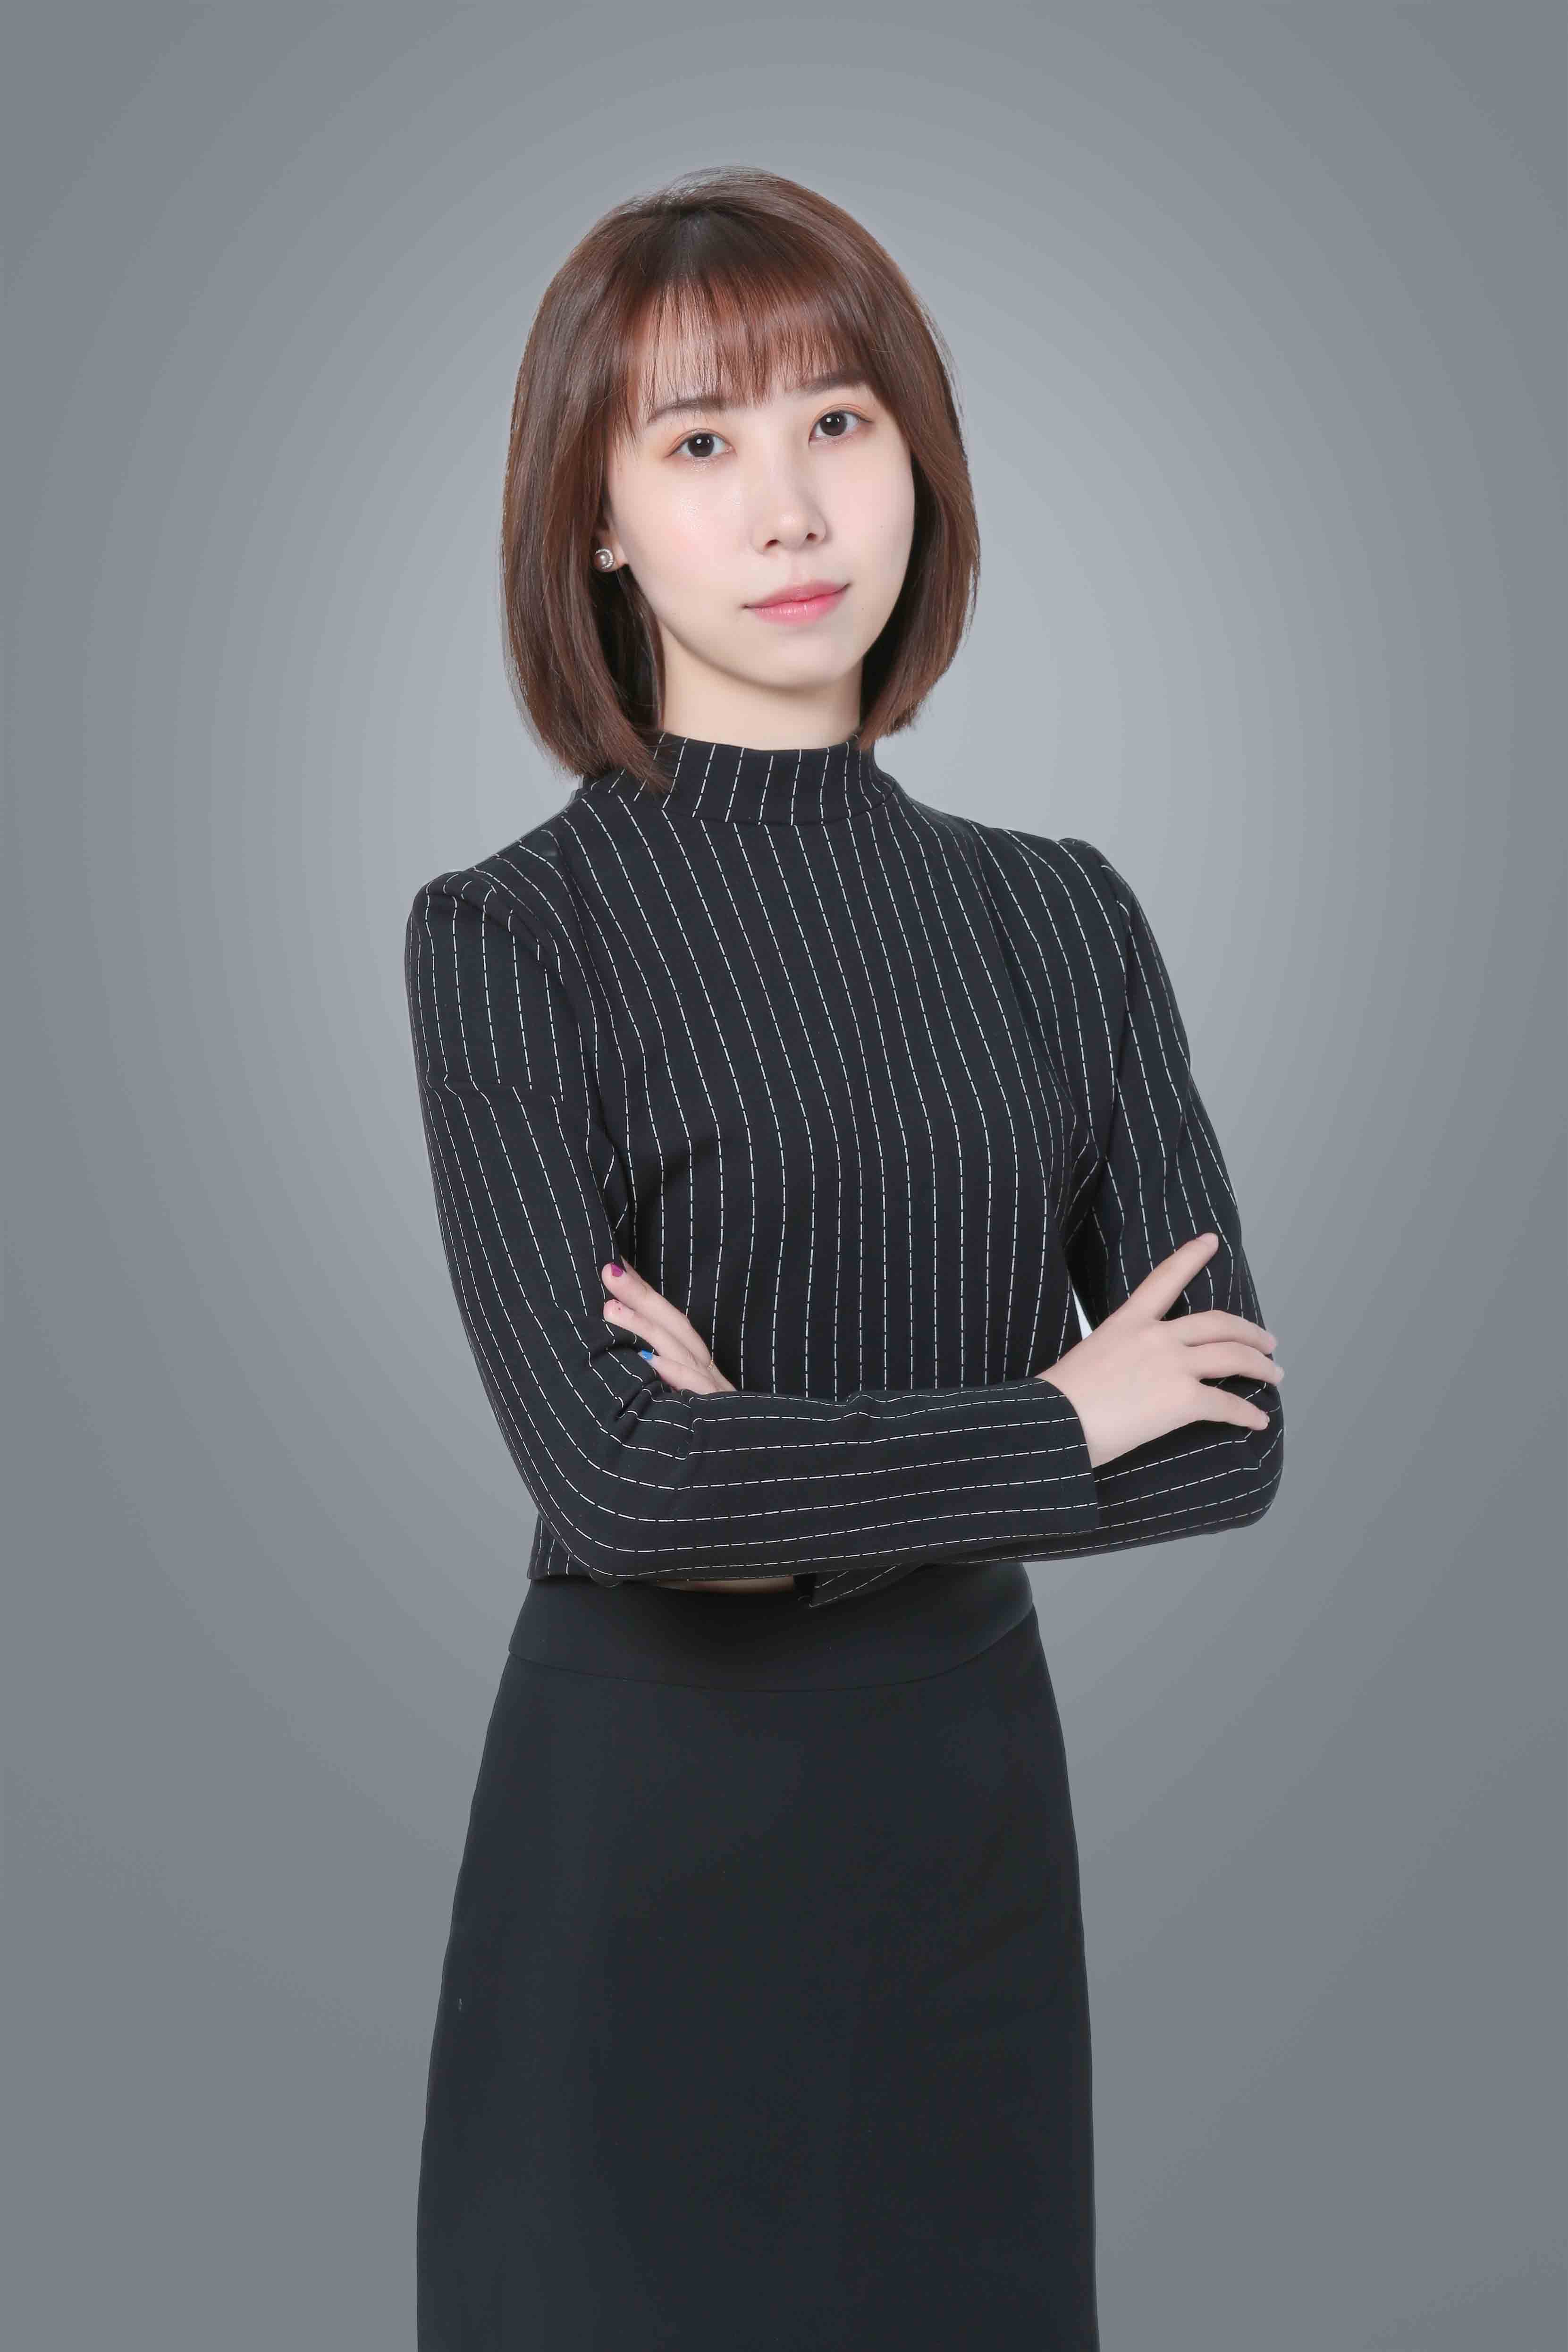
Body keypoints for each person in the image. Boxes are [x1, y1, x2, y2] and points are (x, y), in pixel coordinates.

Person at [404, 162, 1284, 2349]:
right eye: (702, 441)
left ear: (916, 460)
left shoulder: (1060, 913)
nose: (791, 507)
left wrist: (770, 1481)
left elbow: (1224, 1436)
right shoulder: (508, 938)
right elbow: (620, 1486)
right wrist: (1053, 1416)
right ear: (598, 520)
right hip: (644, 1843)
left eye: (838, 421)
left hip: (962, 1839)